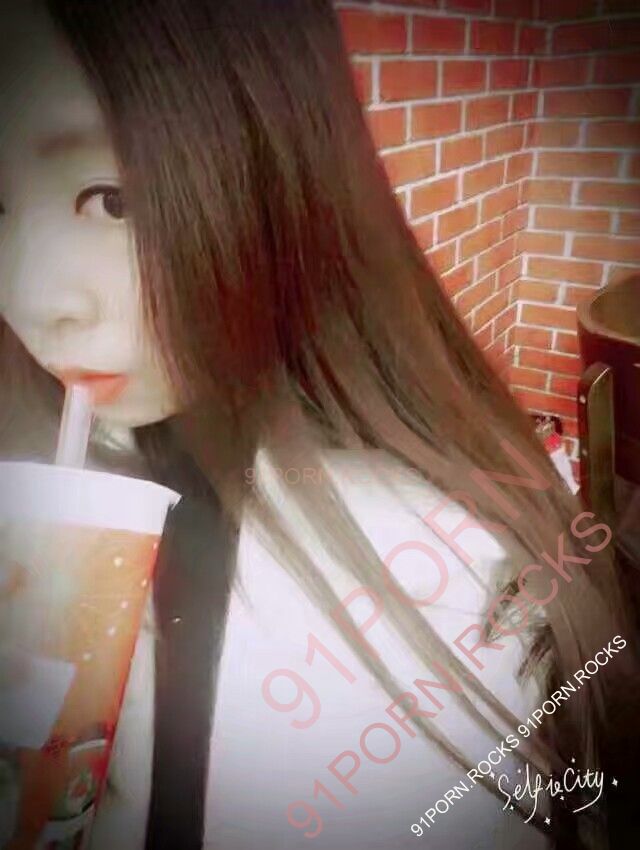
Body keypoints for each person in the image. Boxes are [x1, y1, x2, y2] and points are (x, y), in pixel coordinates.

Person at [0, 2, 638, 849]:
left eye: (113, 199)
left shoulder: (439, 582)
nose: (32, 299)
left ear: (279, 177)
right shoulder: (41, 470)